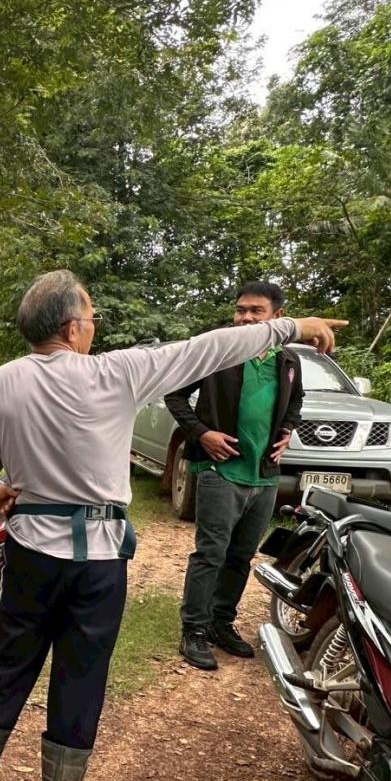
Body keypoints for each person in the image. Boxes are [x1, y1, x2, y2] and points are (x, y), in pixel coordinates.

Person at [0, 269, 343, 781]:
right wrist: (293, 328)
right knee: (82, 675)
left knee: (10, 663)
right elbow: (210, 348)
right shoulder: (116, 373)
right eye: (90, 317)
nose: (93, 327)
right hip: (98, 560)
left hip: (30, 553)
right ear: (72, 328)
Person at [166, 282, 304, 670]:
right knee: (211, 553)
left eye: (256, 311)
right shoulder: (219, 353)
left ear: (277, 317)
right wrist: (202, 433)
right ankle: (193, 630)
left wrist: (288, 430)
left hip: (264, 476)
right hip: (219, 471)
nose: (245, 317)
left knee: (242, 555)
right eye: (240, 309)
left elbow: (296, 402)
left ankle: (220, 623)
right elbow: (174, 395)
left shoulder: (289, 361)